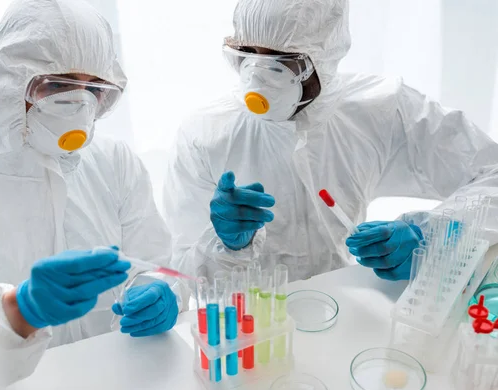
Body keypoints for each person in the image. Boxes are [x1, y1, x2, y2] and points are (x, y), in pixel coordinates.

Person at [0, 0, 181, 382]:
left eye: (92, 87)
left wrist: (158, 290)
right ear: (9, 83)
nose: (79, 102)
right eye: (60, 84)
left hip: (116, 380)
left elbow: (152, 261)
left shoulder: (114, 163)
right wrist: (17, 310)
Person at [164, 0, 498, 283]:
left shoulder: (380, 110)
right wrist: (223, 246)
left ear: (323, 55)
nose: (258, 79)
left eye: (282, 60)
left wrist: (433, 236)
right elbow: (179, 274)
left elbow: (491, 175)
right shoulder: (206, 134)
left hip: (340, 309)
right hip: (253, 325)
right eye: (247, 53)